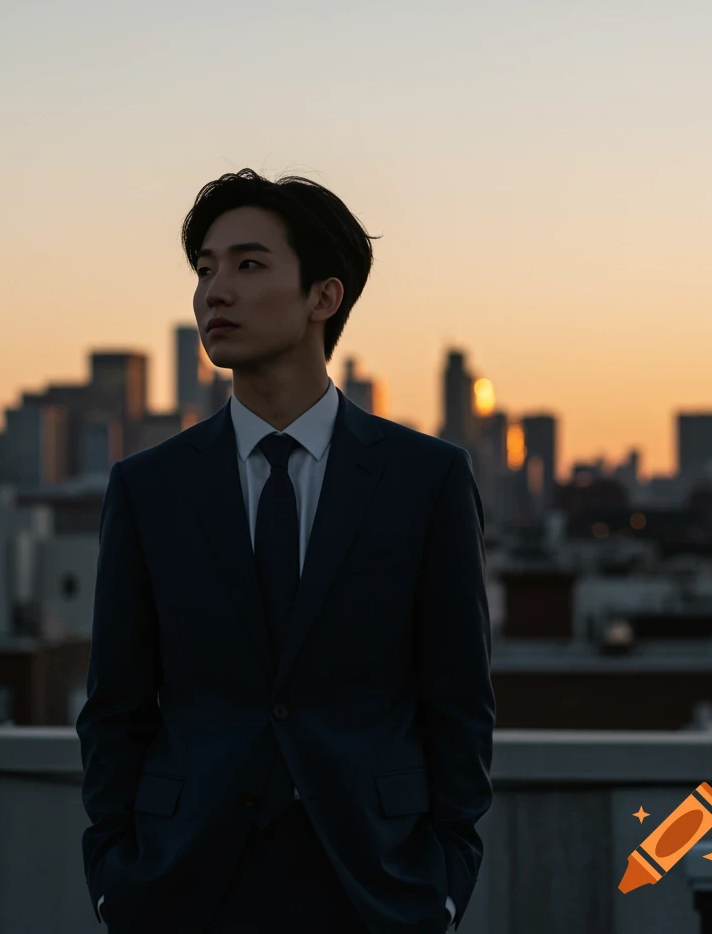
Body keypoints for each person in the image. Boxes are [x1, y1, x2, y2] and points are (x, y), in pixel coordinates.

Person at [77, 168, 495, 932]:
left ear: (323, 298)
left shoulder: (424, 480)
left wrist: (444, 882)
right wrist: (114, 877)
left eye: (248, 264)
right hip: (182, 885)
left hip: (373, 882)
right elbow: (116, 707)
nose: (214, 291)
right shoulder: (149, 488)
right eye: (204, 269)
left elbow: (458, 701)